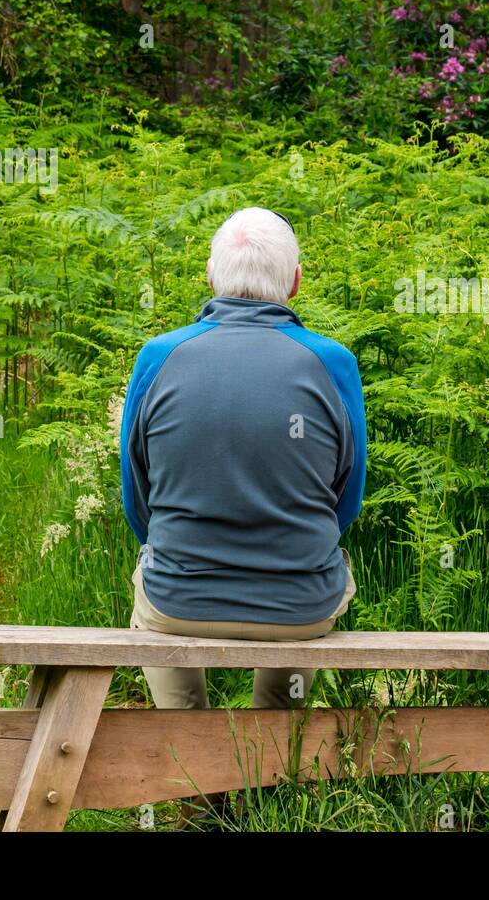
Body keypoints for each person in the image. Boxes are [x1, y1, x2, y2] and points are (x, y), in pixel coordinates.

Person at [119, 206, 365, 711]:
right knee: (300, 618)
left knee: (152, 600)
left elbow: (137, 497)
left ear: (210, 276)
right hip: (302, 603)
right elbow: (347, 497)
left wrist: (176, 549)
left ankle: (186, 744)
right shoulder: (334, 363)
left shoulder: (158, 356)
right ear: (295, 282)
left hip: (177, 598)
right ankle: (272, 754)